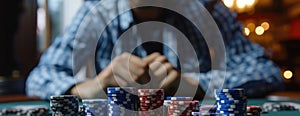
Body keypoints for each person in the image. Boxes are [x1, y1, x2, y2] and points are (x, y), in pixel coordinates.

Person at [26, 0, 284, 100]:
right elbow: (40, 77)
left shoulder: (208, 9)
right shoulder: (96, 10)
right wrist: (98, 84)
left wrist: (193, 83)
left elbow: (265, 70)